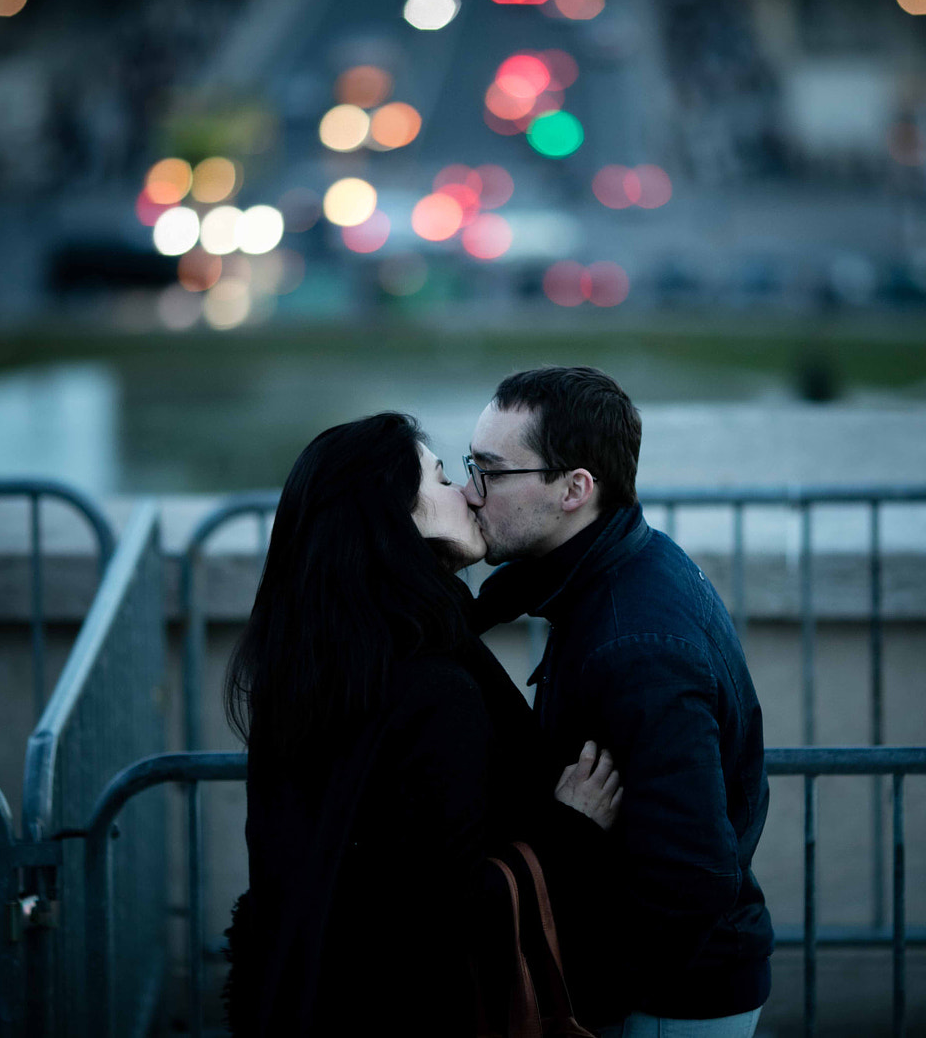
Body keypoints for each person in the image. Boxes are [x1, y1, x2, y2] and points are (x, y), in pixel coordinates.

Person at [220, 411, 621, 1037]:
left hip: (296, 999)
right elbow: (437, 913)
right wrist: (568, 832)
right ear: (395, 521)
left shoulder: (311, 666)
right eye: (440, 479)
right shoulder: (433, 688)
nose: (467, 492)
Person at [464, 367, 773, 1038]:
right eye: (467, 466)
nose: (468, 493)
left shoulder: (635, 647)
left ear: (575, 488)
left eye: (491, 471)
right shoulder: (618, 564)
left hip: (668, 1000)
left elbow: (691, 875)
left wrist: (593, 999)